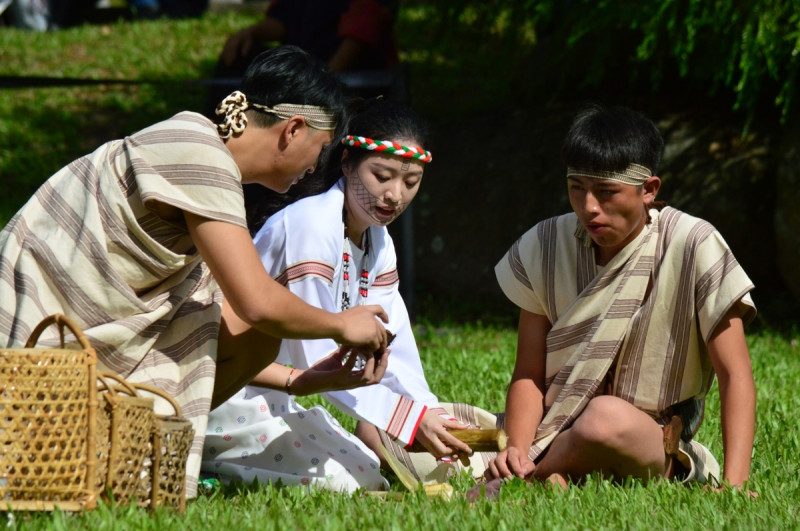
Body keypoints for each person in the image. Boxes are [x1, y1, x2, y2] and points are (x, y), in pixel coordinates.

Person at [0, 45, 390, 498]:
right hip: (35, 330)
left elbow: (214, 327)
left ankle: (134, 451)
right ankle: (121, 454)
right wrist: (342, 324)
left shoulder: (205, 157)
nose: (313, 170)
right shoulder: (199, 154)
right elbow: (257, 301)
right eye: (321, 151)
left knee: (256, 334)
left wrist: (300, 381)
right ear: (293, 130)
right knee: (260, 322)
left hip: (91, 339)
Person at [202, 99, 499, 492]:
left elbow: (395, 343)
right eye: (382, 175)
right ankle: (208, 461)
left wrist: (427, 410)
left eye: (410, 183)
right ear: (346, 162)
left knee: (367, 470)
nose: (395, 194)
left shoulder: (380, 241)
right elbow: (318, 357)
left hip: (283, 396)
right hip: (227, 390)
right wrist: (405, 419)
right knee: (350, 485)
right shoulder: (309, 225)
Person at [473, 104, 756, 499]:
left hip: (648, 442)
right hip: (554, 429)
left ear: (649, 190)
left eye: (606, 192)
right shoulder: (546, 244)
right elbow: (528, 374)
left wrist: (736, 484)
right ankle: (546, 469)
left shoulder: (693, 243)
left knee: (603, 420)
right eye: (577, 188)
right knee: (400, 432)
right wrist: (517, 449)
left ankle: (529, 479)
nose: (589, 206)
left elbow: (735, 374)